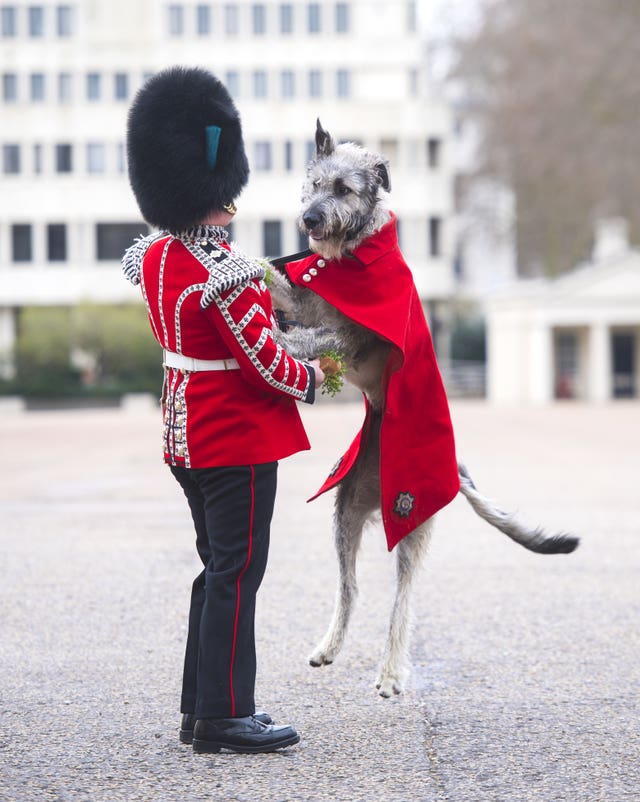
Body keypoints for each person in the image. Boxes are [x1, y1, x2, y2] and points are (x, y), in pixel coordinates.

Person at [122, 66, 324, 755]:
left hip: (183, 434)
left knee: (215, 570)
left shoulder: (152, 257)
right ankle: (225, 715)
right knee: (237, 573)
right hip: (232, 436)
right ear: (218, 187)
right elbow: (263, 363)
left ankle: (200, 707)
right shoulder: (224, 270)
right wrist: (318, 375)